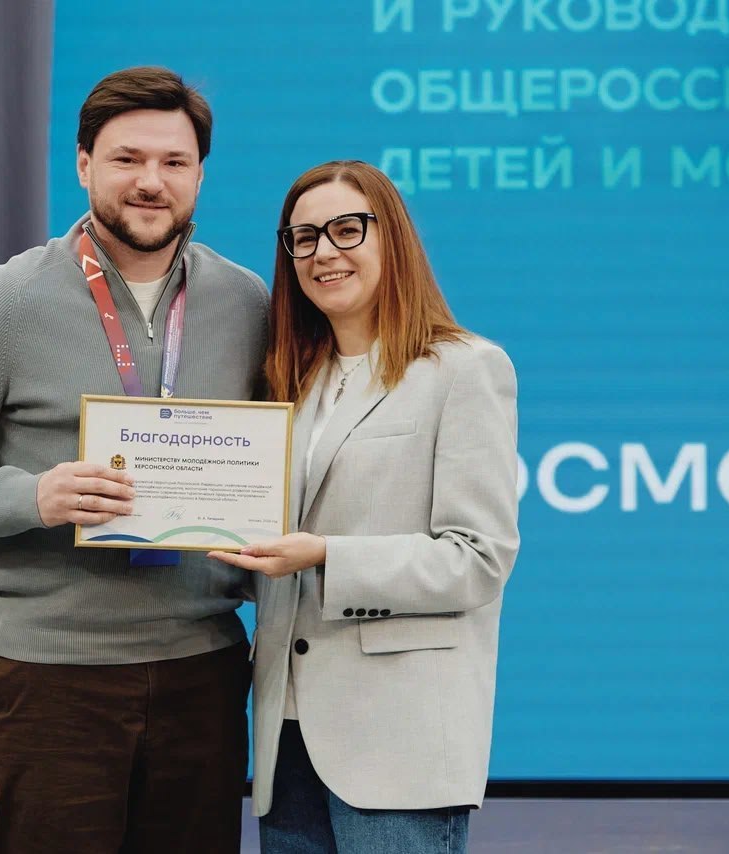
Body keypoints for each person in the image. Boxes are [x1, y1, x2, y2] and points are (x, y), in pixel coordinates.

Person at [0, 66, 268, 854]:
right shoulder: (7, 301)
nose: (151, 181)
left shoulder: (248, 302)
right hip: (51, 679)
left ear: (200, 176)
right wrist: (32, 497)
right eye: (127, 158)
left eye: (174, 161)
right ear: (84, 164)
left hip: (205, 672)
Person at [209, 160, 519, 853]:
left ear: (392, 238)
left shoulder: (464, 369)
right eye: (304, 237)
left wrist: (325, 556)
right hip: (286, 732)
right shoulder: (288, 382)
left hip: (398, 738)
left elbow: (477, 559)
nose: (324, 252)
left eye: (347, 229)